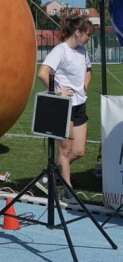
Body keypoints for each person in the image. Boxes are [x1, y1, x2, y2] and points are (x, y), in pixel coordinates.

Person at [36, 16, 95, 197]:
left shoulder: (83, 52)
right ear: (77, 33)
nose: (89, 38)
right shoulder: (60, 50)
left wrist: (85, 86)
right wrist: (57, 91)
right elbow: (42, 73)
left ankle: (49, 175)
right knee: (65, 150)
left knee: (79, 151)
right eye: (87, 34)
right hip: (64, 106)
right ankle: (68, 190)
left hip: (80, 105)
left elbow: (88, 71)